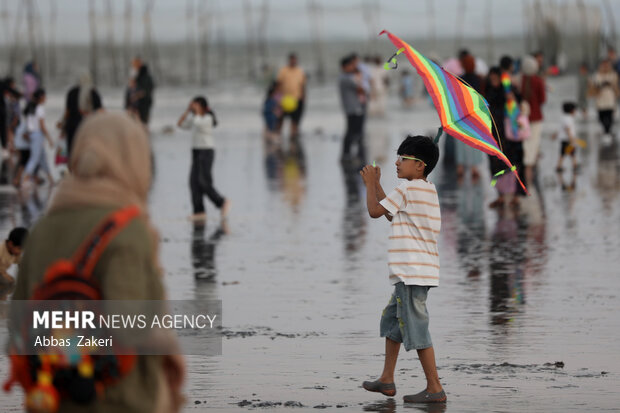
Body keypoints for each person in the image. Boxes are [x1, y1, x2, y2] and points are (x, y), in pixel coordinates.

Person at [12, 111, 185, 412]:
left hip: (54, 399)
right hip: (119, 400)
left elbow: (18, 326)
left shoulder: (41, 231)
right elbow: (130, 325)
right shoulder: (128, 229)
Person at [359, 135, 445, 404]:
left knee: (417, 327)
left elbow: (375, 211)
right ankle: (387, 378)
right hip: (417, 272)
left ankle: (435, 388)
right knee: (393, 320)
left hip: (411, 273)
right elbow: (391, 211)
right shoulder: (426, 189)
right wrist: (379, 185)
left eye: (403, 158)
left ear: (420, 165)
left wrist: (370, 184)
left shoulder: (408, 191)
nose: (397, 162)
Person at [177, 96, 230, 221]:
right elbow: (180, 124)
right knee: (193, 182)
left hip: (206, 151)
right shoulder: (196, 118)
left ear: (201, 105)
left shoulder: (208, 118)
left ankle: (222, 202)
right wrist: (187, 111)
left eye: (194, 104)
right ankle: (199, 210)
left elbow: (197, 123)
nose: (192, 106)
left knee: (204, 181)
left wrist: (195, 112)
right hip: (195, 151)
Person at [60, 72, 103, 157]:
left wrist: (63, 125)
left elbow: (67, 112)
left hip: (72, 125)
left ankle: (72, 169)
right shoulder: (92, 92)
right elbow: (100, 111)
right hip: (88, 126)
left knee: (72, 151)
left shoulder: (71, 92)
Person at [455, 54, 483, 180]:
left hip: (461, 114)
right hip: (475, 114)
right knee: (475, 141)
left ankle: (460, 167)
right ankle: (474, 168)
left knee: (461, 141)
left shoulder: (459, 79)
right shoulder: (479, 80)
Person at [519, 55, 546, 184]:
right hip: (536, 117)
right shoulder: (538, 80)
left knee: (524, 143)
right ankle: (530, 174)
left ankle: (524, 172)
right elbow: (543, 100)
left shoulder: (520, 81)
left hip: (522, 117)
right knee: (533, 144)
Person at [22, 88, 54, 187]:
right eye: (44, 96)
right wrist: (49, 139)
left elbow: (28, 124)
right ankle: (25, 179)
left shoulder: (31, 107)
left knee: (43, 158)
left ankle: (51, 180)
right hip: (38, 135)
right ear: (41, 97)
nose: (46, 99)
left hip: (32, 134)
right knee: (35, 158)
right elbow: (42, 126)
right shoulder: (39, 108)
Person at [339, 55, 366, 164]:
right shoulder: (345, 78)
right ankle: (347, 154)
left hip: (354, 107)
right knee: (351, 132)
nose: (352, 67)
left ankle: (350, 153)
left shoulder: (346, 77)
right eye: (350, 65)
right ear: (345, 67)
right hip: (352, 108)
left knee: (355, 132)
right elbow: (360, 89)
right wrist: (359, 77)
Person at [276, 53, 306, 138]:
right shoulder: (283, 70)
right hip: (284, 99)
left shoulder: (300, 71)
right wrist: (277, 98)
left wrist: (304, 97)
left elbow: (302, 85)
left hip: (297, 98)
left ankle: (293, 136)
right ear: (289, 60)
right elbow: (278, 84)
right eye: (292, 59)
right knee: (280, 119)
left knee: (295, 120)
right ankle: (278, 135)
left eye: (295, 59)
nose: (293, 61)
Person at [591, 59, 619, 144]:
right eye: (604, 65)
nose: (605, 67)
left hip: (610, 98)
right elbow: (594, 84)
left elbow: (615, 85)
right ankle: (606, 130)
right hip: (600, 98)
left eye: (607, 65)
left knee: (610, 116)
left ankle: (607, 132)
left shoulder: (613, 74)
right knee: (601, 117)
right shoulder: (597, 75)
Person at [555, 102, 578, 172]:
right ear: (572, 110)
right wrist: (571, 139)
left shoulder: (563, 118)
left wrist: (555, 135)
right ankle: (574, 166)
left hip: (564, 140)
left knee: (563, 154)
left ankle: (559, 166)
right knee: (571, 153)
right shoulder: (568, 118)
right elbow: (567, 129)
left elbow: (560, 128)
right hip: (568, 140)